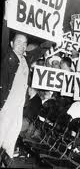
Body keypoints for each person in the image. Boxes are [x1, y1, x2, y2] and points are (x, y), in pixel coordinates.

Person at [0, 32, 51, 165]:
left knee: (12, 136)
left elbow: (40, 50)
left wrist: (53, 38)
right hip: (6, 105)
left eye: (24, 43)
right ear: (11, 44)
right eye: (18, 42)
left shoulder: (26, 59)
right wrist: (6, 18)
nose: (21, 45)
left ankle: (6, 162)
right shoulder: (7, 56)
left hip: (19, 106)